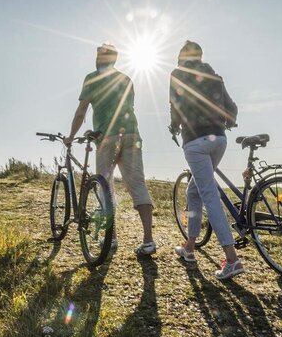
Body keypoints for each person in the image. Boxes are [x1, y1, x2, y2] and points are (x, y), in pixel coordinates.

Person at [66, 43, 156, 256]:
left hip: (107, 137)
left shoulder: (92, 78)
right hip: (132, 135)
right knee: (137, 184)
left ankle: (112, 238)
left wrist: (70, 136)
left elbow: (81, 111)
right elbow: (128, 108)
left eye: (98, 54)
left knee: (104, 187)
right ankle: (148, 241)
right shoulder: (126, 79)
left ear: (100, 58)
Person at [169, 40, 243, 279]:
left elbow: (175, 105)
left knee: (209, 195)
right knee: (194, 192)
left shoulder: (178, 75)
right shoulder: (215, 77)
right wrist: (229, 121)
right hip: (219, 140)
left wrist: (174, 126)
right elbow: (231, 107)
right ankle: (189, 248)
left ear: (182, 58)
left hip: (195, 142)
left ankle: (232, 259)